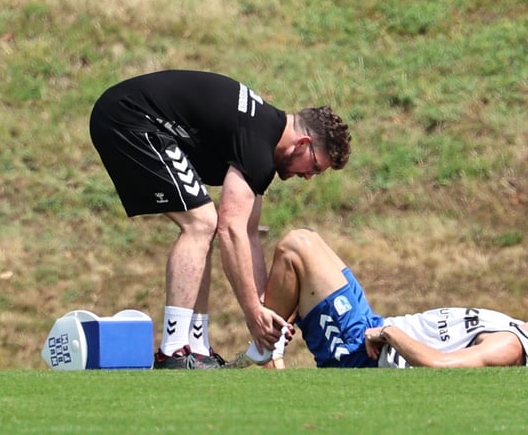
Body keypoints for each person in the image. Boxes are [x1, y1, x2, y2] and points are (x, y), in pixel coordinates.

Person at [89, 70, 351, 369]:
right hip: (128, 116)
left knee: (205, 226)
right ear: (302, 143)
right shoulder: (259, 143)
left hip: (140, 118)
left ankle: (197, 348)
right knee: (201, 223)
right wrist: (253, 313)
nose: (308, 177)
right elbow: (231, 230)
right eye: (314, 167)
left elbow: (248, 234)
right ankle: (173, 351)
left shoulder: (264, 137)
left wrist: (268, 309)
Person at [228, 228, 528, 369]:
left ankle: (264, 355)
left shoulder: (510, 346)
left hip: (361, 351)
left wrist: (388, 334)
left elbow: (443, 366)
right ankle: (269, 355)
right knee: (303, 248)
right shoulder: (515, 332)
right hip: (370, 327)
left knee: (298, 245)